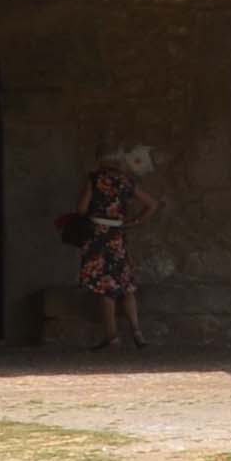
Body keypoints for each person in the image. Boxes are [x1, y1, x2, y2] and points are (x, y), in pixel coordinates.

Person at [67, 147, 159, 351]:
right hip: (117, 236)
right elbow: (152, 204)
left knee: (104, 286)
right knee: (125, 284)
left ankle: (112, 336)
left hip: (98, 236)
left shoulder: (95, 179)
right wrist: (135, 221)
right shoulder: (126, 181)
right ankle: (137, 332)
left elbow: (81, 208)